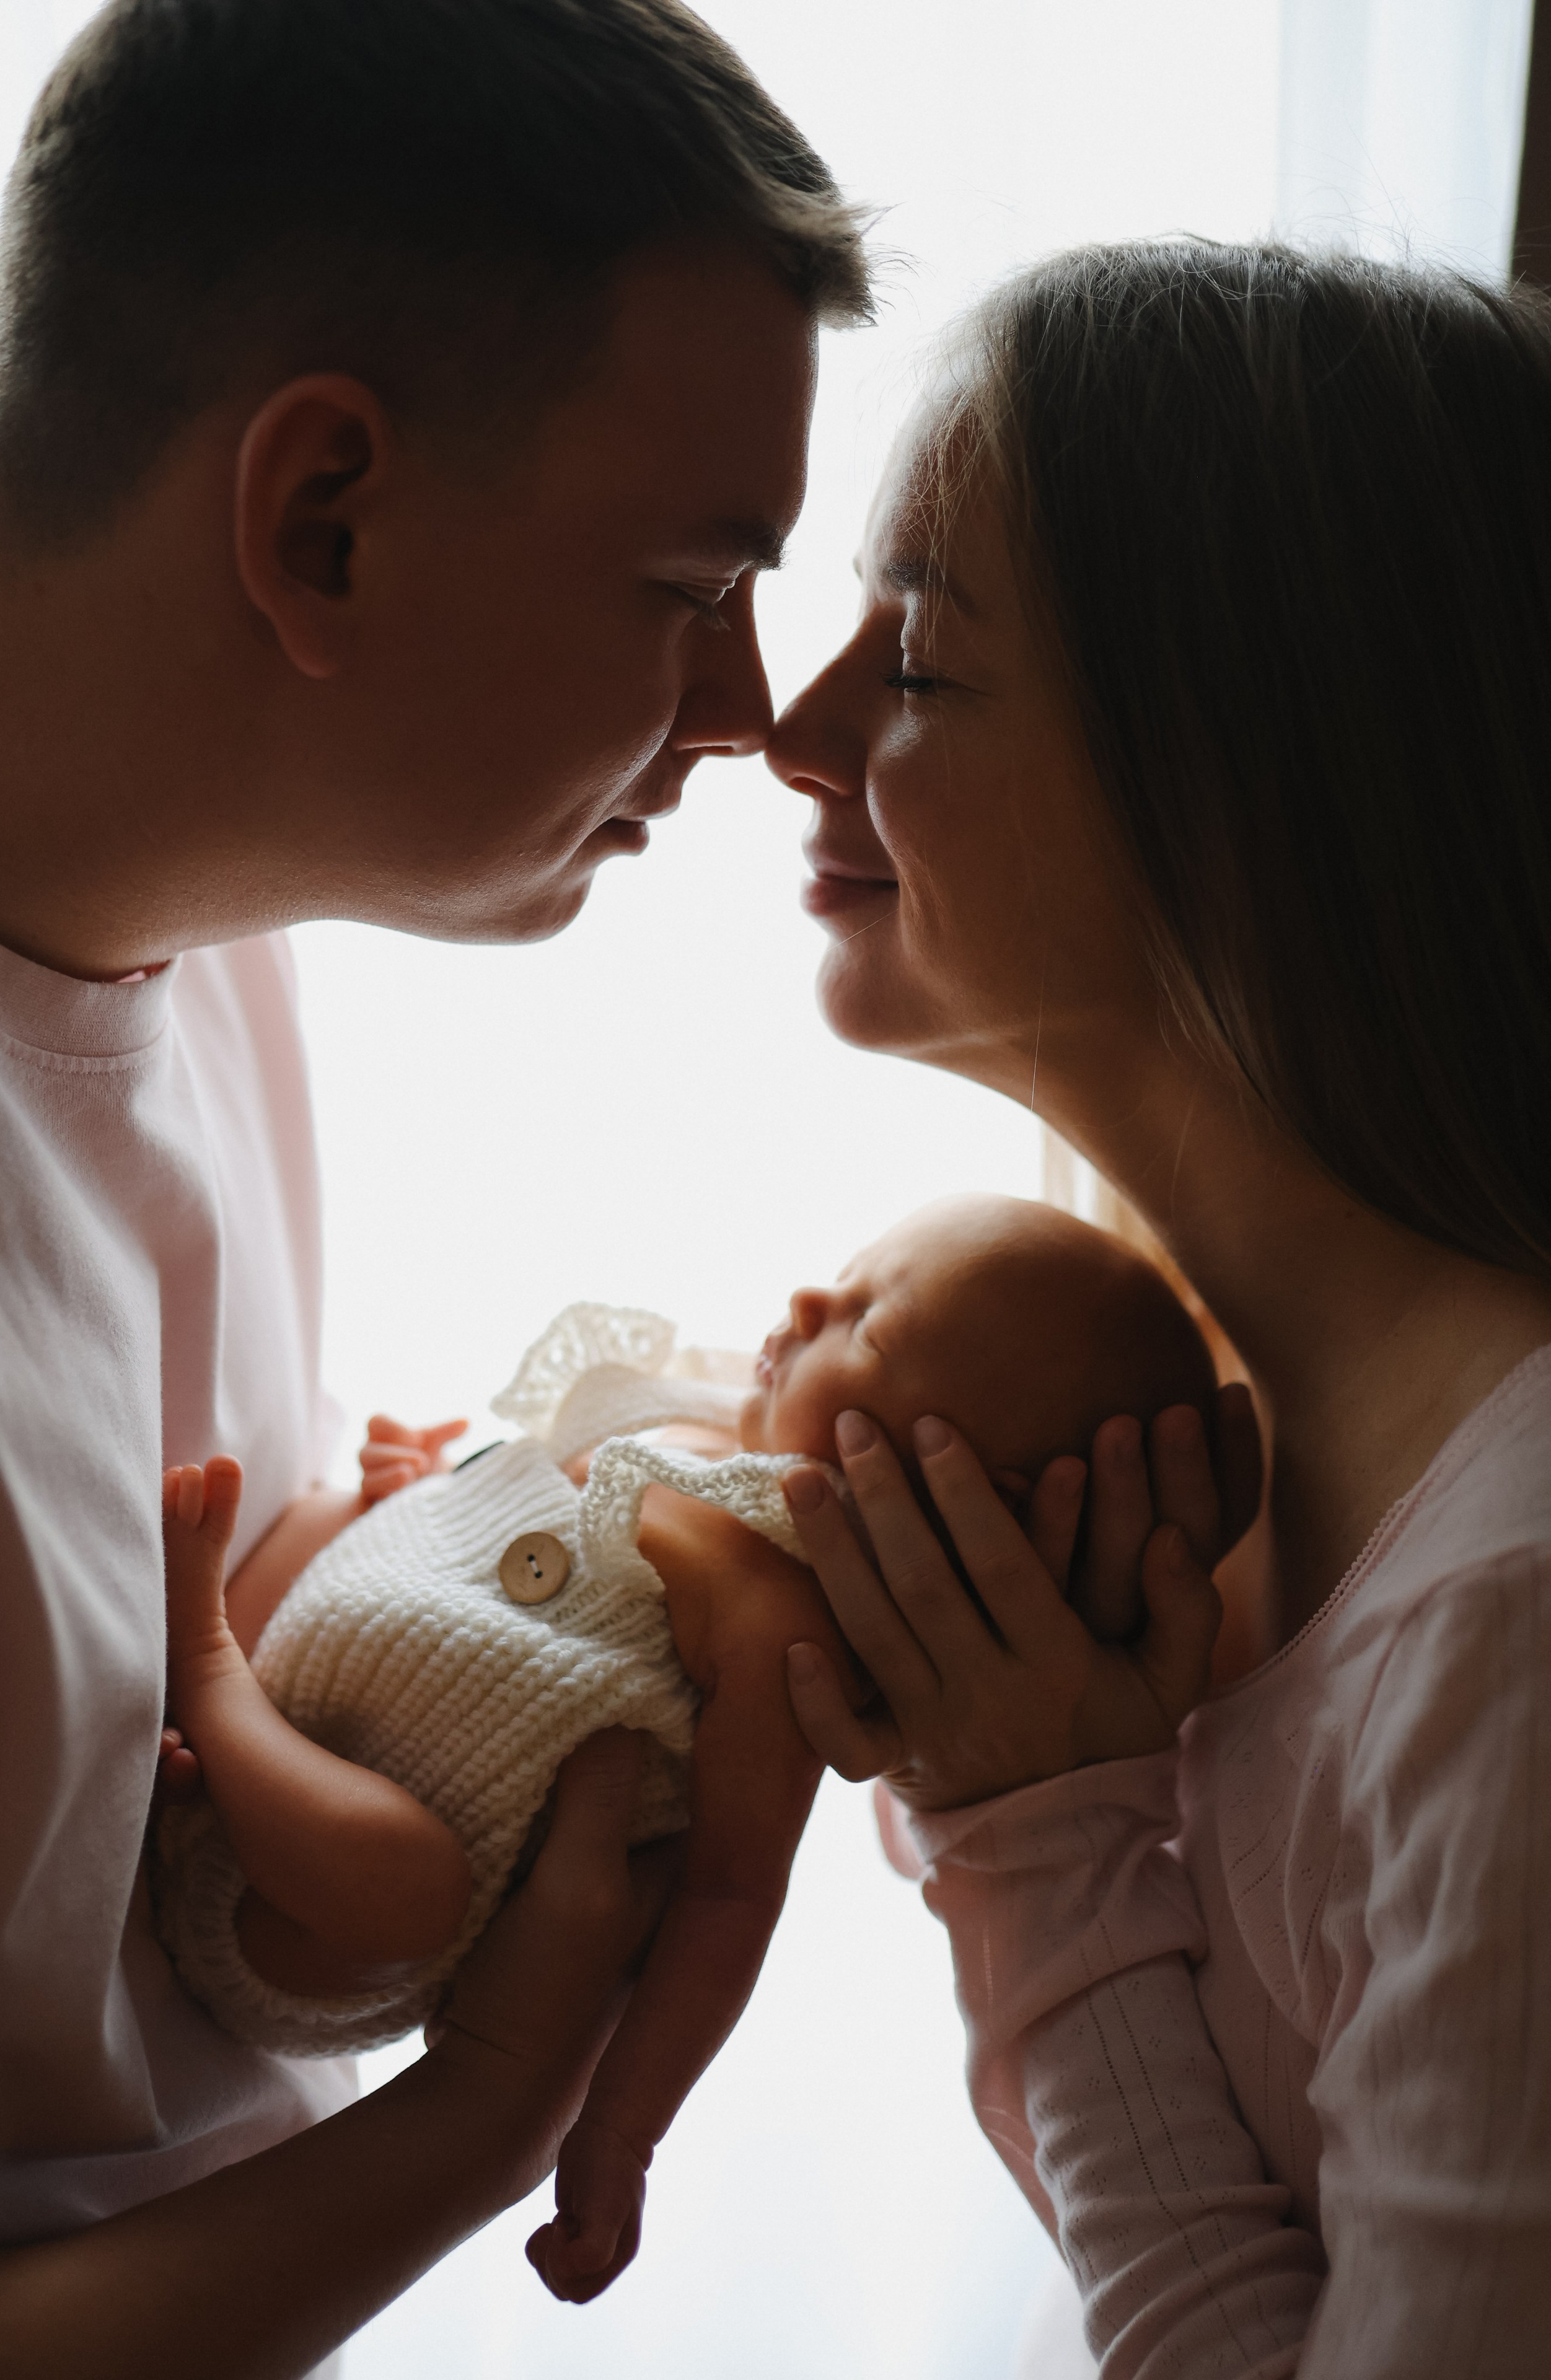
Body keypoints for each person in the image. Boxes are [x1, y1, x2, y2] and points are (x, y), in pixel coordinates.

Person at [0, 1, 872, 2371]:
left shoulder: (207, 939)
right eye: (695, 579)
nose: (755, 711)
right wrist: (475, 2122)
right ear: (321, 519)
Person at [767, 242, 1551, 2376]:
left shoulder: (1514, 1625)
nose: (788, 724)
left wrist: (1038, 1863)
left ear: (1255, 771)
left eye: (915, 657)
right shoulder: (1200, 1487)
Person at [147, 1193, 1231, 2304]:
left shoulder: (785, 1634)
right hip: (313, 1681)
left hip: (300, 1910)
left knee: (412, 1887)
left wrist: (621, 2133)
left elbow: (726, 1898)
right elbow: (509, 1513)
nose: (811, 1300)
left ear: (959, 1497)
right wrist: (428, 1481)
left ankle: (206, 1674)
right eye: (844, 1275)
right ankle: (216, 1706)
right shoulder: (699, 1409)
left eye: (871, 1326)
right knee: (323, 1500)